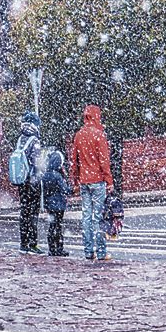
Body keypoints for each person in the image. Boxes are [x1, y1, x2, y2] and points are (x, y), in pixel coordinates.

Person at [69, 104, 114, 262]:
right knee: (98, 218)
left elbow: (74, 161)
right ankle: (101, 252)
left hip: (84, 181)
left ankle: (88, 251)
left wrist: (75, 179)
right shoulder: (98, 135)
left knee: (86, 217)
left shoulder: (79, 135)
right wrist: (109, 180)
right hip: (97, 180)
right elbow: (104, 161)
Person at [13, 111, 44, 254]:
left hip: (21, 181)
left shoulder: (20, 139)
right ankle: (32, 244)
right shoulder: (34, 141)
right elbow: (37, 163)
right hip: (32, 182)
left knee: (24, 212)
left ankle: (23, 243)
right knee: (33, 213)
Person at [41, 149, 71, 257]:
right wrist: (71, 188)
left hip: (49, 204)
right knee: (58, 227)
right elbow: (65, 190)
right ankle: (59, 248)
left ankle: (51, 248)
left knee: (52, 226)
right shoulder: (58, 176)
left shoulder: (45, 175)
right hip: (59, 205)